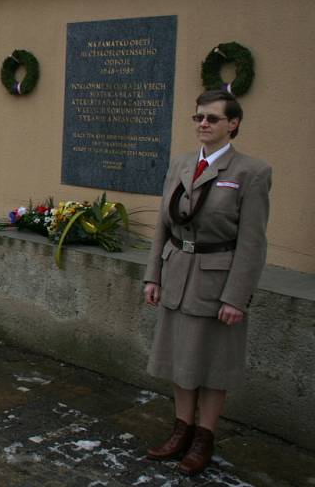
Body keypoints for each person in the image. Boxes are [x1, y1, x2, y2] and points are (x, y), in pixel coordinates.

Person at [143, 89, 271, 475]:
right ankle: (180, 431)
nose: (203, 124)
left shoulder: (252, 172)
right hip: (177, 273)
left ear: (233, 124)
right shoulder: (181, 163)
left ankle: (203, 438)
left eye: (212, 118)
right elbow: (163, 225)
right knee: (180, 360)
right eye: (198, 117)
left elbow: (252, 243)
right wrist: (153, 274)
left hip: (217, 285)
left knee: (213, 366)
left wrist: (237, 297)